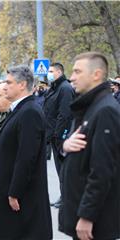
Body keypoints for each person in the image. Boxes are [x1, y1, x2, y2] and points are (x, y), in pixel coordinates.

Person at [0, 65, 52, 239]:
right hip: (9, 191)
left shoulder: (29, 111)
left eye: (8, 82)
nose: (5, 86)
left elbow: (26, 157)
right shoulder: (20, 110)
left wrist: (15, 192)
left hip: (21, 198)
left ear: (22, 85)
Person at [60, 52, 120, 240]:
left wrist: (87, 216)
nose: (72, 77)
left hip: (95, 222)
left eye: (78, 71)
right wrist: (65, 145)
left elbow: (102, 171)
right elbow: (77, 145)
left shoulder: (105, 110)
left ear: (96, 74)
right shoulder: (90, 106)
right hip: (81, 211)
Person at [43, 62, 75, 209]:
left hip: (61, 136)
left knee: (64, 169)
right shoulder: (54, 88)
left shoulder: (65, 89)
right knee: (59, 169)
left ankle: (67, 198)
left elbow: (65, 114)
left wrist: (60, 135)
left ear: (59, 72)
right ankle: (64, 196)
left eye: (51, 71)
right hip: (54, 135)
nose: (48, 73)